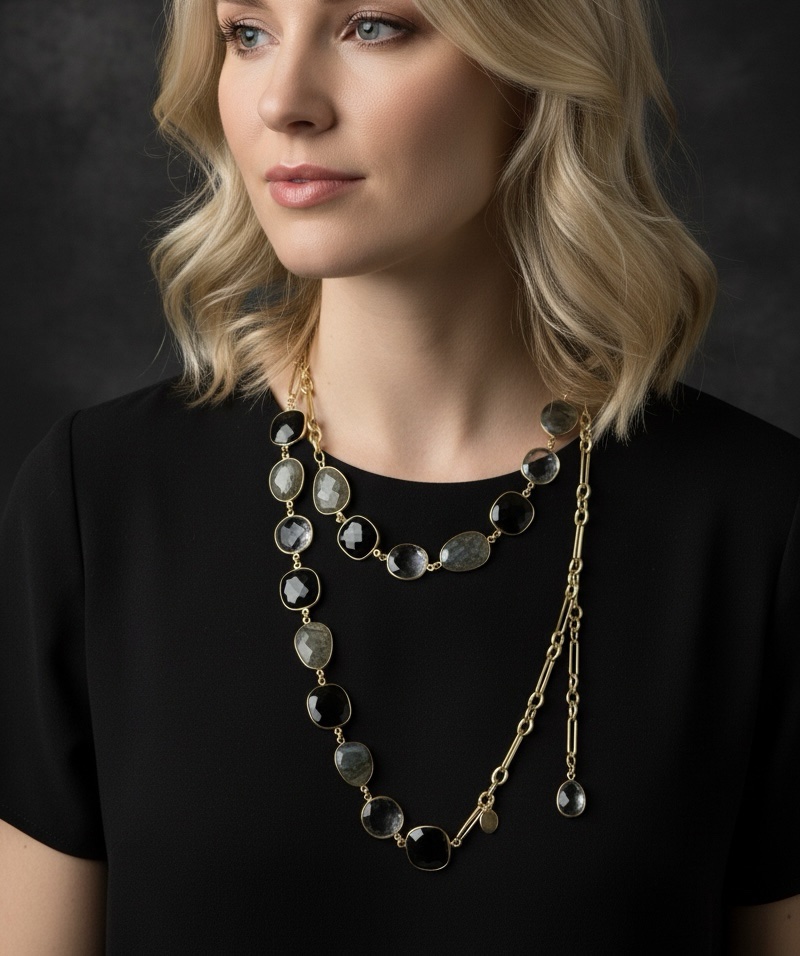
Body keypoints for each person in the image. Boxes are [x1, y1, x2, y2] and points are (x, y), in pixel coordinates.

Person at [1, 0, 798, 952]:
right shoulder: (95, 505)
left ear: (530, 68)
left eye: (373, 25)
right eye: (247, 33)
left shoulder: (758, 529)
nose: (284, 102)